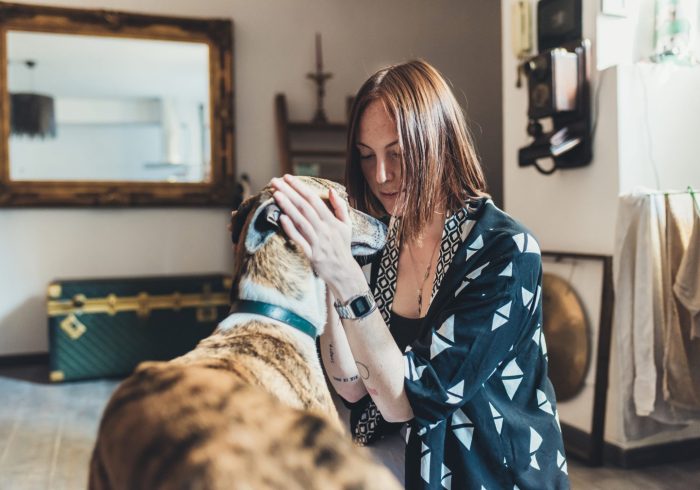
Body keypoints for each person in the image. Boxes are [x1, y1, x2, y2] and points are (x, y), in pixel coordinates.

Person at [271, 59, 569, 490]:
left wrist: (347, 277)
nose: (382, 176)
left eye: (397, 154)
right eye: (367, 157)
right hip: (408, 457)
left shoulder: (506, 252)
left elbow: (406, 400)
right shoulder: (378, 241)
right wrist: (329, 273)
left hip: (493, 471)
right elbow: (352, 389)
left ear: (439, 141)